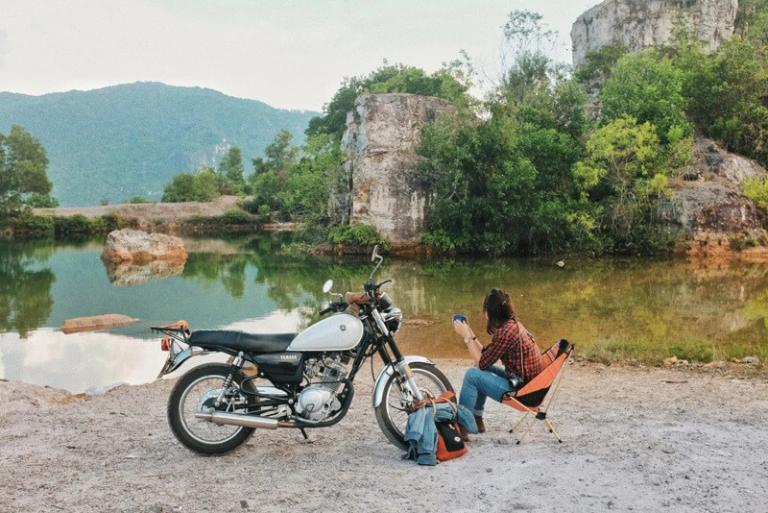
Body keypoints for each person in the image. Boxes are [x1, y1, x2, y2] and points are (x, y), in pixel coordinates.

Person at [452, 288, 545, 439]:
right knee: (480, 370)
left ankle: (462, 427)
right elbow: (486, 358)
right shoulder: (512, 326)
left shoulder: (505, 333)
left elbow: (481, 363)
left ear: (489, 313)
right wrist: (469, 332)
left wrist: (466, 337)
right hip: (529, 385)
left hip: (523, 393)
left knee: (472, 375)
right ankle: (476, 418)